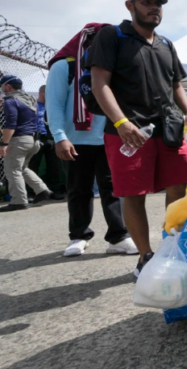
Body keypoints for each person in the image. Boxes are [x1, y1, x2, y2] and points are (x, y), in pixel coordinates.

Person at [88, 0, 187, 278]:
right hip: (129, 131)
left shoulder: (166, 43)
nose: (154, 7)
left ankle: (171, 247)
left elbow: (176, 83)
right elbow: (100, 83)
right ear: (130, 6)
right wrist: (121, 122)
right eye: (146, 2)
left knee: (180, 186)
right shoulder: (113, 36)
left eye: (158, 4)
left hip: (170, 128)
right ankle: (145, 257)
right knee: (133, 194)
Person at [47, 25, 137, 257]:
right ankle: (78, 236)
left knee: (114, 188)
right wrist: (60, 137)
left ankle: (119, 236)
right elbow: (54, 104)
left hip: (109, 136)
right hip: (74, 140)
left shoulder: (113, 66)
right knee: (78, 189)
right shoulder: (63, 67)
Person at [0, 75, 53, 212]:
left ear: (8, 87)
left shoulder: (10, 101)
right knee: (22, 168)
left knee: (12, 170)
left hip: (18, 140)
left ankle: (18, 201)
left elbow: (11, 123)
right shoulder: (29, 99)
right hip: (33, 140)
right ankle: (42, 190)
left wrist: (4, 143)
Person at [28, 85, 66, 200]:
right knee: (32, 165)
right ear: (43, 93)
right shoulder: (32, 105)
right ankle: (32, 192)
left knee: (54, 165)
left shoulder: (52, 106)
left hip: (51, 137)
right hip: (36, 138)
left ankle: (55, 190)